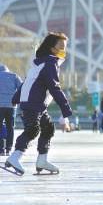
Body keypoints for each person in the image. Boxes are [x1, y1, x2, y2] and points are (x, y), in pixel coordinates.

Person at [6, 32, 73, 175]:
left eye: (65, 47)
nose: (64, 50)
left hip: (35, 103)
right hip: (33, 103)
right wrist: (66, 109)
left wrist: (16, 98)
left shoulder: (40, 62)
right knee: (33, 130)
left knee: (48, 128)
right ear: (51, 48)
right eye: (61, 46)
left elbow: (27, 81)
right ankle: (15, 157)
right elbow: (54, 87)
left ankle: (42, 159)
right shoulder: (50, 63)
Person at [0, 63, 23, 156]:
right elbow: (22, 88)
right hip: (11, 106)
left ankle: (1, 149)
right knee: (10, 127)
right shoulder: (14, 76)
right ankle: (9, 148)